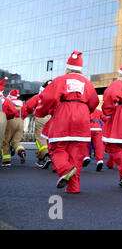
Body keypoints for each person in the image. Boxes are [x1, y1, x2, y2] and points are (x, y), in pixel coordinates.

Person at [34, 51, 99, 194]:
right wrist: (84, 110)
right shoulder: (87, 83)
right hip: (82, 119)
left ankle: (65, 170)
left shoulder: (60, 80)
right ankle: (74, 187)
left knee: (57, 148)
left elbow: (47, 99)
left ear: (68, 67)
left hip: (63, 117)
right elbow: (94, 102)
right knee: (77, 153)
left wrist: (40, 112)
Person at [25, 80, 53, 169]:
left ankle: (46, 156)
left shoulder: (39, 96)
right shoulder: (54, 97)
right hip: (51, 118)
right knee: (49, 138)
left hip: (40, 117)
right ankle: (42, 158)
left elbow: (29, 106)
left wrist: (31, 111)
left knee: (40, 138)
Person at [2, 89, 28, 165]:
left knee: (6, 141)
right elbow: (26, 113)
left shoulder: (8, 101)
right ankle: (21, 151)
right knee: (16, 141)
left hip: (11, 121)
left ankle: (6, 161)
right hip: (21, 121)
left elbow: (5, 112)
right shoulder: (22, 103)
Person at [0, 78, 19, 167]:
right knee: (3, 140)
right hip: (3, 119)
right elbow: (14, 112)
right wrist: (7, 117)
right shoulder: (6, 100)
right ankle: (5, 159)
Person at [86, 107, 106, 171]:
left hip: (88, 127)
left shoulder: (86, 110)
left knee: (85, 144)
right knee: (99, 146)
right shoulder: (98, 111)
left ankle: (86, 156)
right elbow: (105, 119)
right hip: (98, 128)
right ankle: (100, 160)